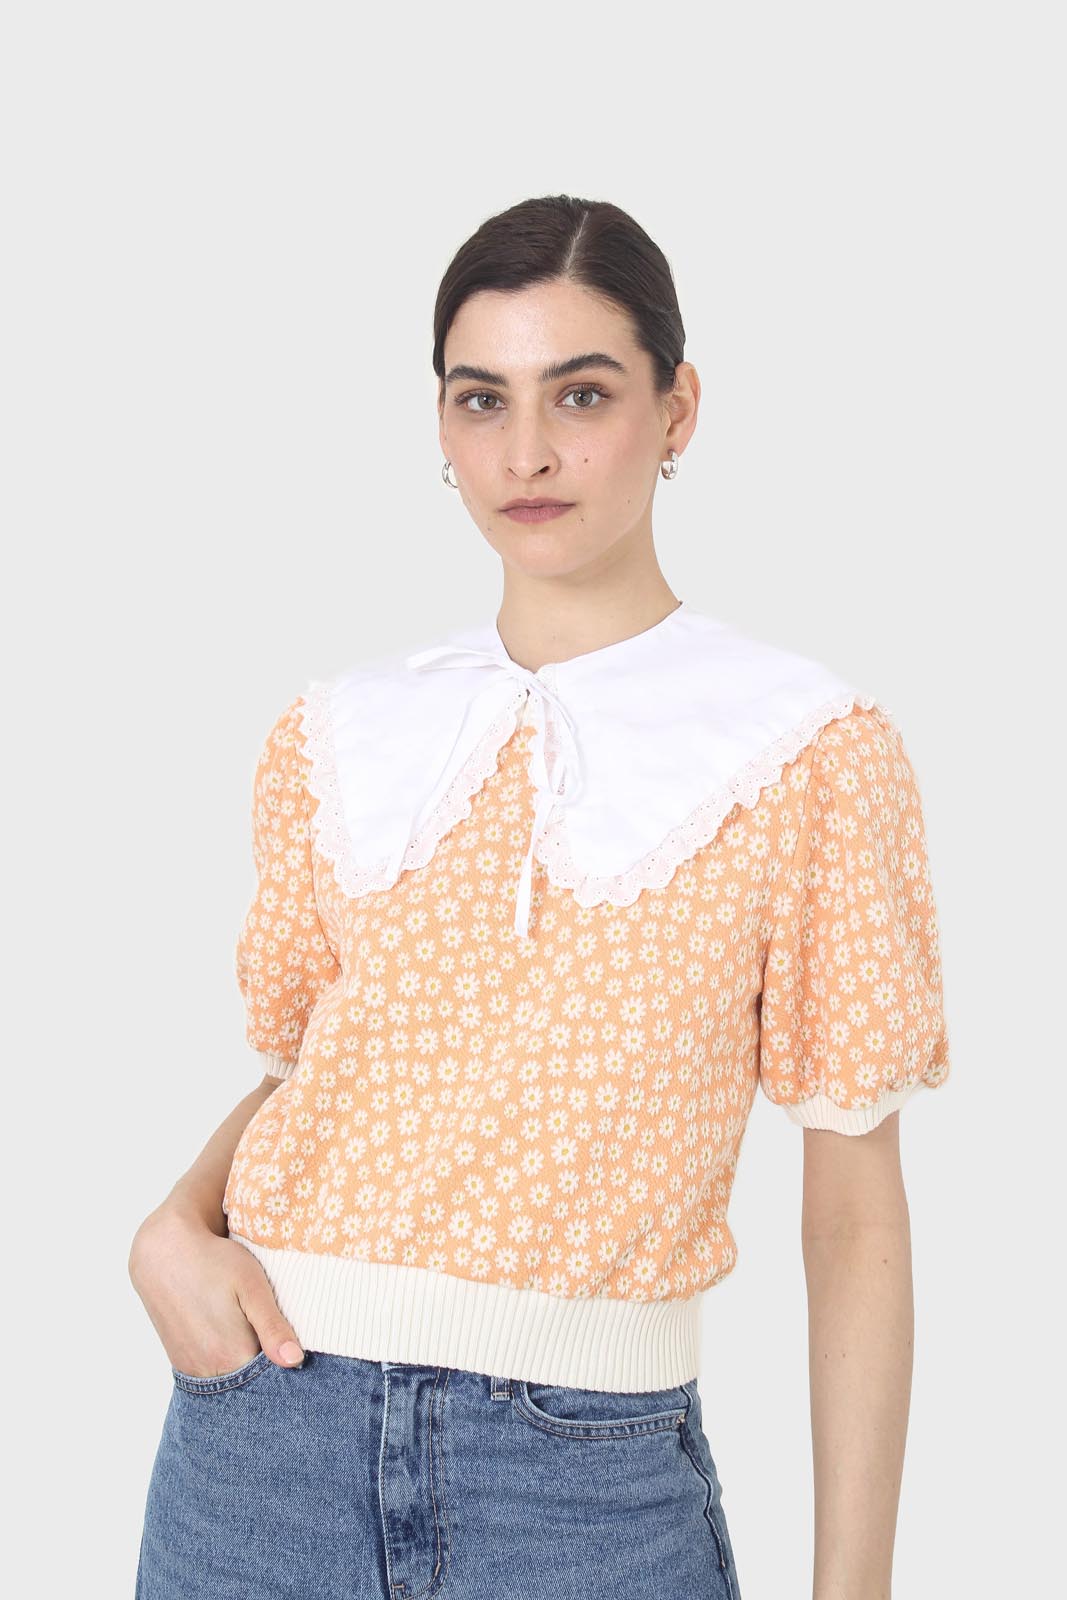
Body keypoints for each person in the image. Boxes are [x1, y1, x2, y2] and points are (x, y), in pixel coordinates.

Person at [130, 193, 951, 1599]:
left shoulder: (806, 748)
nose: (526, 453)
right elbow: (308, 1064)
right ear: (441, 428)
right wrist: (171, 1227)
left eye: (581, 393)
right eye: (481, 399)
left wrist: (855, 1588)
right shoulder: (341, 732)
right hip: (259, 1448)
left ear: (677, 410)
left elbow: (855, 1214)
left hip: (583, 1484)